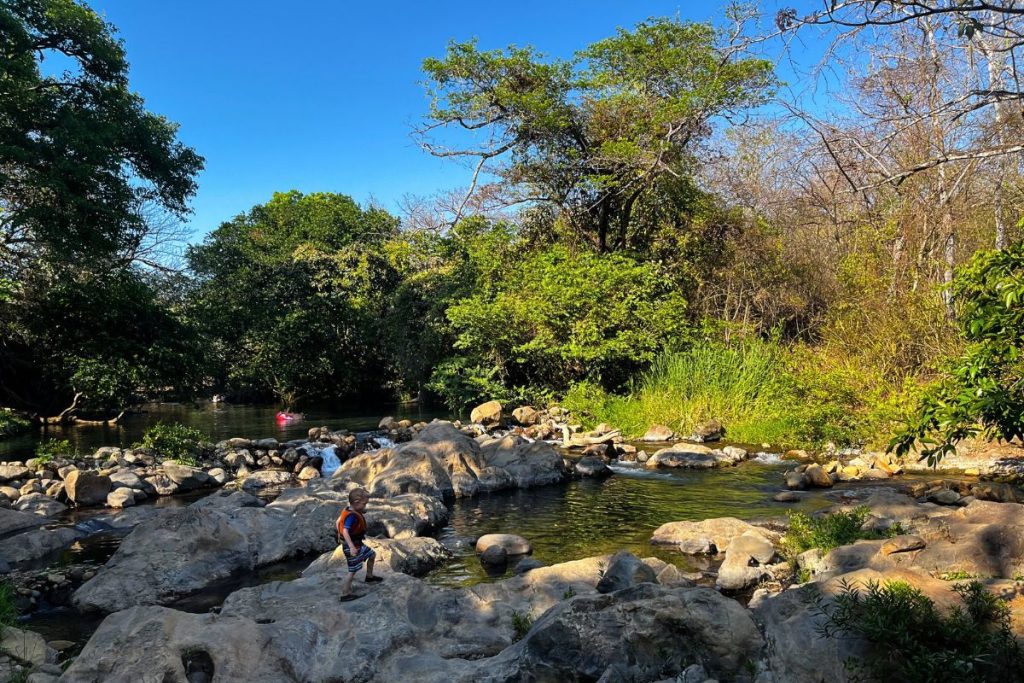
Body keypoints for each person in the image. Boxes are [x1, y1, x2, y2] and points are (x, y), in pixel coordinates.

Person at [336, 487, 382, 601]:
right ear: (356, 503)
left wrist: (339, 533)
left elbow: (338, 522)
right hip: (352, 546)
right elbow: (346, 531)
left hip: (358, 545)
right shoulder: (351, 516)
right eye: (364, 505)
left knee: (372, 554)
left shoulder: (349, 510)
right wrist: (350, 546)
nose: (365, 507)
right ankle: (345, 593)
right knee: (353, 570)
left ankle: (369, 577)